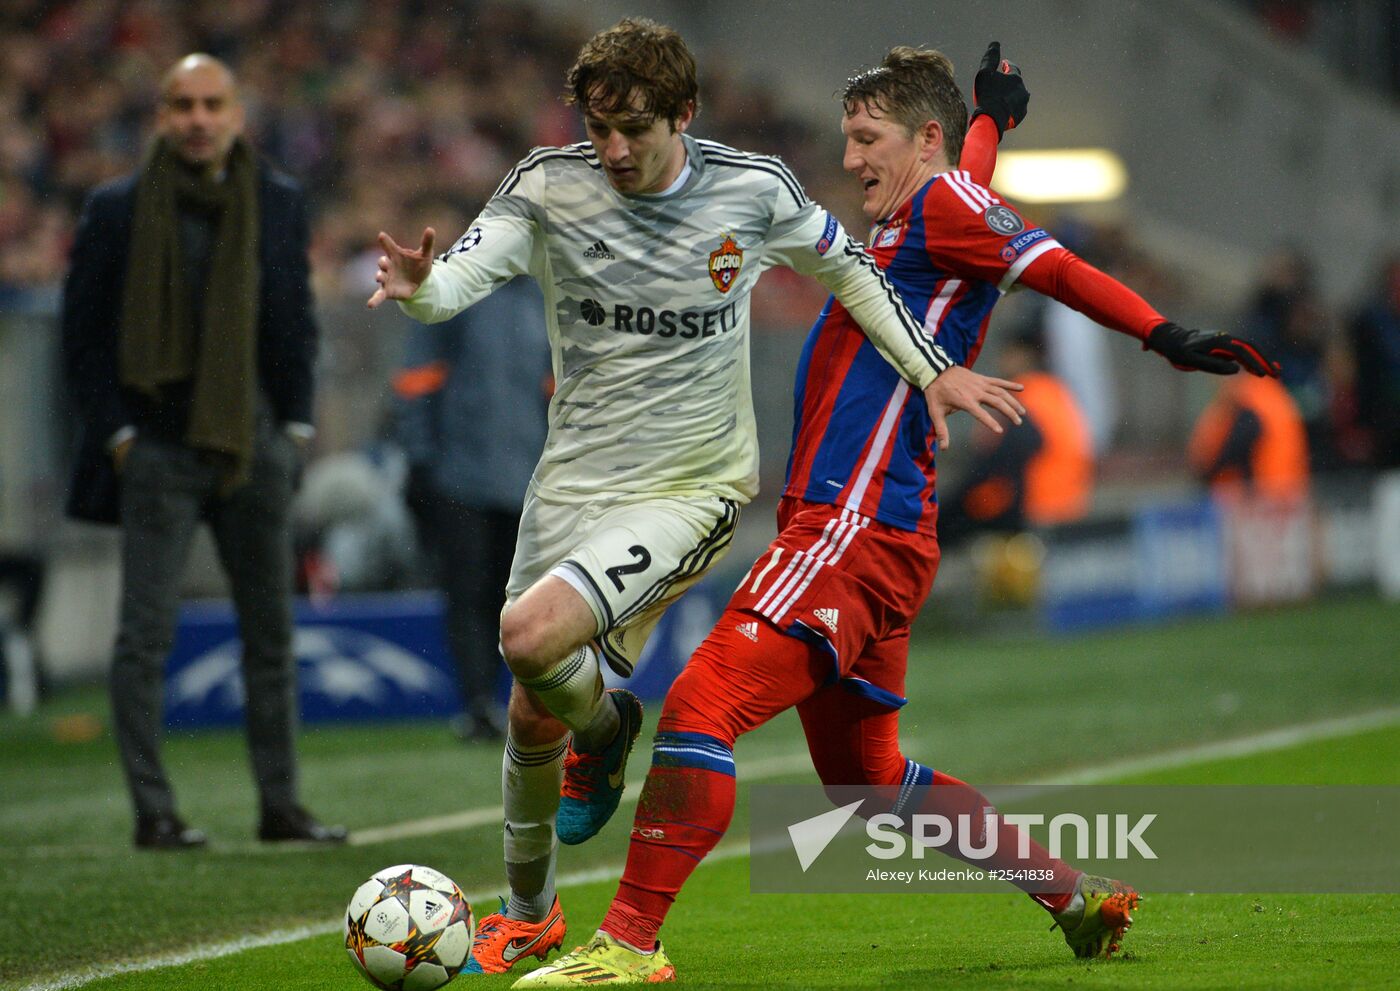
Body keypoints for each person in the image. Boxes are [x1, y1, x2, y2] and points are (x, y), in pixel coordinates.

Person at [513, 43, 1281, 986]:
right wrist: (990, 121)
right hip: (886, 531)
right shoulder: (933, 207)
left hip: (851, 523)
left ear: (922, 139)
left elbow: (1054, 266)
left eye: (866, 137)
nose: (850, 158)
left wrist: (1158, 332)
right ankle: (1075, 897)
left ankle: (628, 943)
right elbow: (965, 184)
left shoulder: (944, 205)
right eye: (846, 137)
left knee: (701, 708)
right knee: (867, 779)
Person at [367, 18, 1024, 975]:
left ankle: (610, 730)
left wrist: (929, 370)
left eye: (635, 127)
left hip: (691, 486)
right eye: (599, 129)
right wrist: (422, 288)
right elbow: (453, 282)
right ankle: (531, 910)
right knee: (529, 709)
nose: (615, 150)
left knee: (527, 638)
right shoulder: (549, 184)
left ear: (683, 112)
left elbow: (855, 273)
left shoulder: (753, 193)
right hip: (571, 482)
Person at [61, 54, 345, 849]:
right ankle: (154, 810)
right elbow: (82, 338)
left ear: (236, 114)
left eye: (211, 103)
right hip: (154, 443)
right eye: (182, 104)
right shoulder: (116, 209)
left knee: (272, 634)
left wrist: (291, 426)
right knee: (144, 635)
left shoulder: (279, 199)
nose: (197, 118)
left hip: (254, 438)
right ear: (161, 114)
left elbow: (295, 316)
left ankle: (280, 806)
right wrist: (119, 435)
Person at [394, 274, 552, 741]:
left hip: (524, 475)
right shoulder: (455, 294)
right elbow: (417, 380)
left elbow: (557, 391)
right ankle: (478, 701)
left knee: (513, 596)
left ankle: (503, 702)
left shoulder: (543, 299)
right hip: (459, 474)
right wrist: (421, 457)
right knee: (467, 590)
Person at [939, 329, 1095, 546]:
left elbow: (1001, 459)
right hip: (1069, 500)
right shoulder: (1054, 390)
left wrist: (954, 499)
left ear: (1023, 355)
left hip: (1035, 504)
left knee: (946, 524)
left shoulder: (1025, 393)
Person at [1188, 371, 1310, 503]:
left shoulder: (1249, 401)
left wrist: (1206, 474)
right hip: (1287, 491)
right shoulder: (1273, 395)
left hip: (1263, 495)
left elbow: (1233, 449)